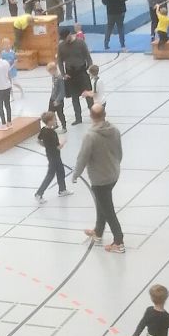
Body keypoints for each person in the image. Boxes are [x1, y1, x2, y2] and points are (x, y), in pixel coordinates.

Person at [73, 104, 124, 253]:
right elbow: (119, 153)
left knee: (108, 210)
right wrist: (114, 165)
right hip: (113, 174)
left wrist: (75, 174)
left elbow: (82, 158)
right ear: (105, 114)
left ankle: (119, 242)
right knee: (102, 203)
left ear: (91, 116)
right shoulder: (114, 130)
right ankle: (98, 231)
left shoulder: (90, 136)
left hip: (99, 179)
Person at [34, 111, 73, 203]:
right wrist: (64, 141)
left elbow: (39, 140)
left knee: (60, 171)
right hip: (54, 156)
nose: (55, 120)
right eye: (54, 119)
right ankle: (39, 193)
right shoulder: (52, 133)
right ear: (49, 121)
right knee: (50, 175)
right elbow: (58, 146)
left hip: (50, 154)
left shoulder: (43, 129)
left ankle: (62, 190)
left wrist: (46, 146)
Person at [57, 29, 93, 124]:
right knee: (74, 98)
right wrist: (63, 74)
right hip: (70, 74)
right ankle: (78, 118)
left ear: (70, 34)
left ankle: (94, 115)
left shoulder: (80, 43)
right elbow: (60, 61)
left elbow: (88, 57)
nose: (65, 40)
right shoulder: (61, 46)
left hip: (81, 71)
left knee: (88, 96)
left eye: (66, 38)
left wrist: (90, 69)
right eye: (63, 39)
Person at [46, 62, 67, 132]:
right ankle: (55, 124)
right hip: (52, 98)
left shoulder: (60, 78)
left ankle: (64, 127)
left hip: (58, 100)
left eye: (50, 71)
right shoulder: (53, 77)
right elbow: (54, 87)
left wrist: (57, 100)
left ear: (54, 70)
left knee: (60, 114)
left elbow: (62, 91)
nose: (49, 73)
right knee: (50, 113)